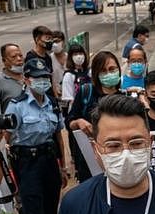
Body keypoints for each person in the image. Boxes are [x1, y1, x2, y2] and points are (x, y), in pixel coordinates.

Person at [4, 58, 68, 214]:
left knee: (50, 213)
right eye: (37, 78)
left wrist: (63, 166)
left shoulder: (52, 103)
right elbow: (7, 138)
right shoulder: (17, 106)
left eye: (45, 78)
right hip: (27, 162)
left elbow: (58, 136)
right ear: (26, 79)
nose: (42, 81)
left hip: (49, 160)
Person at [68, 51, 121, 182]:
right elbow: (69, 122)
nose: (109, 73)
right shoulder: (86, 92)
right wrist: (79, 122)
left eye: (112, 69)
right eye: (103, 71)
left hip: (117, 158)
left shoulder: (125, 97)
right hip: (89, 159)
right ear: (96, 74)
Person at [61, 43, 91, 111]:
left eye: (80, 53)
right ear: (71, 57)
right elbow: (69, 98)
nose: (79, 56)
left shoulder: (90, 72)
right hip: (77, 110)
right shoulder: (68, 76)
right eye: (75, 54)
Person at [0, 43, 26, 113]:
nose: (19, 59)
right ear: (4, 60)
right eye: (14, 57)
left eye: (20, 56)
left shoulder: (29, 75)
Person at [50, 31, 68, 98]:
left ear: (63, 42)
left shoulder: (70, 58)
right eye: (53, 42)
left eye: (57, 41)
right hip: (57, 96)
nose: (55, 44)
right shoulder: (49, 59)